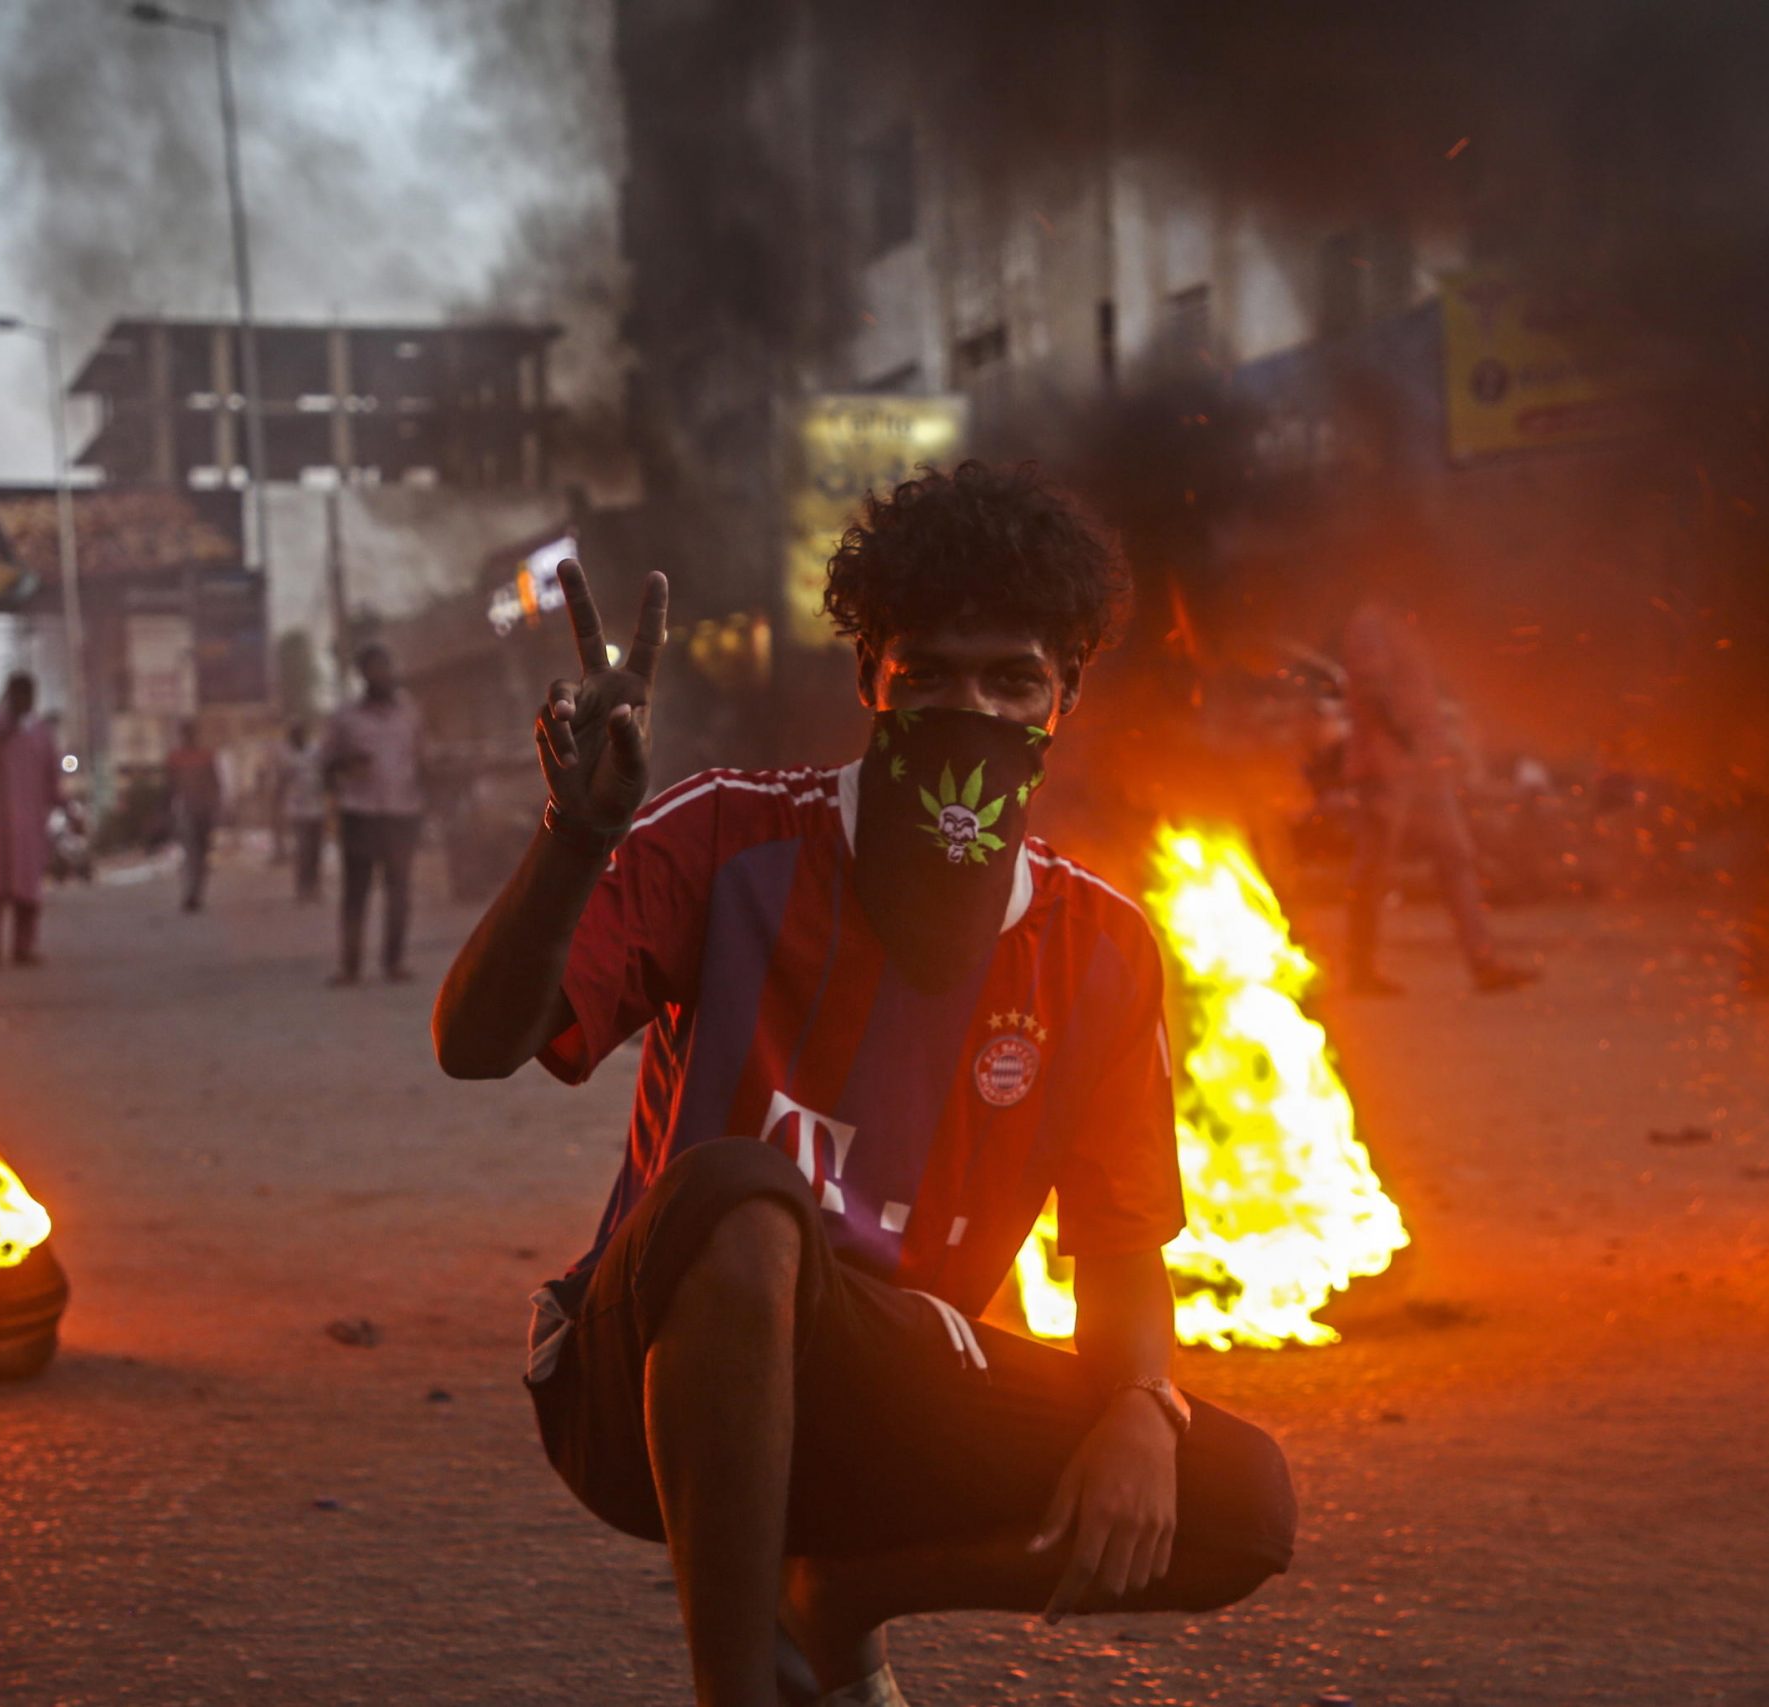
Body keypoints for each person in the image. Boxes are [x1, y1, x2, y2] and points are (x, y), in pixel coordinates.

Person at [433, 464, 1296, 1707]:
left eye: (1012, 682)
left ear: (1064, 698)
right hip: (642, 1386)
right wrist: (576, 837)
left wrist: (1141, 1408)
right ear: (867, 680)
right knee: (741, 1195)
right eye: (929, 676)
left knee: (1238, 1503)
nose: (971, 709)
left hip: (888, 1393)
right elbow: (478, 1042)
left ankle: (836, 1601)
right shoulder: (726, 837)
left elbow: (1117, 1251)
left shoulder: (1098, 945)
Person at [1339, 600, 1538, 995]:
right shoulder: (1371, 622)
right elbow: (1372, 690)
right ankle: (1360, 971)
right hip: (1385, 766)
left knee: (1457, 858)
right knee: (1373, 872)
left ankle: (1483, 962)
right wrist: (1404, 738)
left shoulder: (1410, 622)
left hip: (1425, 768)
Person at [322, 644, 425, 983]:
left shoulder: (409, 713)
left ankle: (393, 963)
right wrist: (346, 766)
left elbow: (421, 760)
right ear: (362, 674)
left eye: (386, 666)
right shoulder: (344, 718)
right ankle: (350, 967)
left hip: (402, 812)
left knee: (399, 892)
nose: (381, 674)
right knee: (356, 893)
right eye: (373, 668)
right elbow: (325, 765)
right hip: (360, 814)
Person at [0, 671, 61, 968]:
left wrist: (66, 809)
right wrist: (4, 731)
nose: (24, 702)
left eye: (28, 696)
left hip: (29, 826)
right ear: (9, 697)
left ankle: (23, 948)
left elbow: (52, 777)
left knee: (27, 891)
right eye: (18, 696)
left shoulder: (40, 732)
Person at [165, 718, 224, 913]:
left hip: (204, 811)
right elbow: (170, 787)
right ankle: (190, 893)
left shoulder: (206, 756)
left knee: (202, 854)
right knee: (191, 854)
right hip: (186, 811)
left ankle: (196, 893)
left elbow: (215, 783)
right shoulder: (175, 758)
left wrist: (216, 808)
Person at [271, 720, 328, 903]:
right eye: (293, 734)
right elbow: (280, 782)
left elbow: (326, 774)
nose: (296, 737)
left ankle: (315, 887)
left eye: (299, 733)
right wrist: (277, 803)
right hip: (297, 810)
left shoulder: (316, 751)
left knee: (316, 851)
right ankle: (302, 889)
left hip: (318, 808)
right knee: (303, 850)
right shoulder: (285, 755)